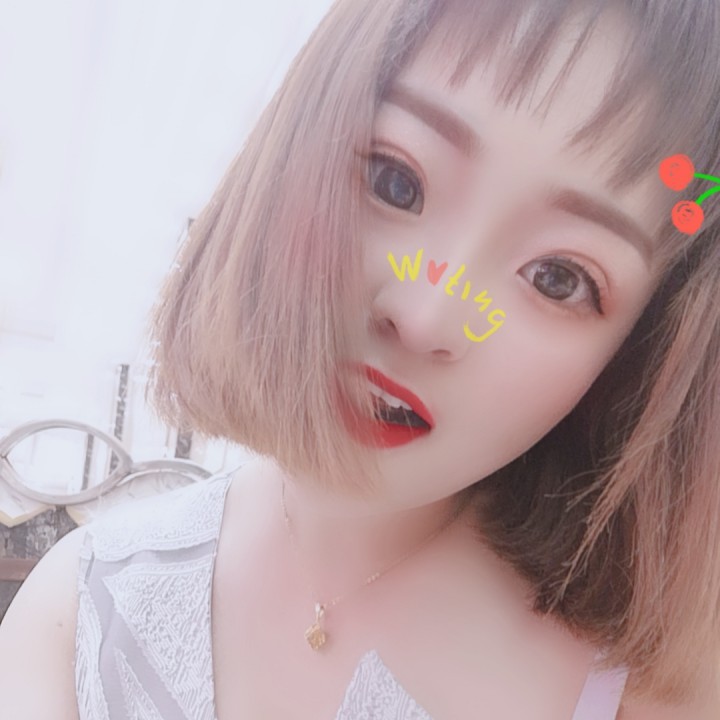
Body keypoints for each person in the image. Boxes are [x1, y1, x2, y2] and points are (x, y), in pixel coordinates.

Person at [1, 0, 719, 717]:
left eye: (558, 279)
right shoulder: (82, 610)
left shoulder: (658, 686)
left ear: (641, 352)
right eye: (394, 181)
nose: (424, 317)